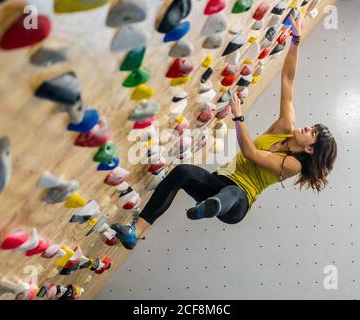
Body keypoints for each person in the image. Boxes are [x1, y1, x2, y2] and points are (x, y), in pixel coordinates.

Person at [111, 15, 338, 250]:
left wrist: (238, 117)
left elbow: (250, 153)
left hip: (237, 203)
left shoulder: (293, 165)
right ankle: (135, 232)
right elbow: (288, 80)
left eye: (312, 132)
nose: (308, 127)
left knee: (234, 192)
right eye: (312, 126)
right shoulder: (285, 126)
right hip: (219, 181)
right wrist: (296, 39)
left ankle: (214, 206)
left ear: (310, 148)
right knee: (181, 172)